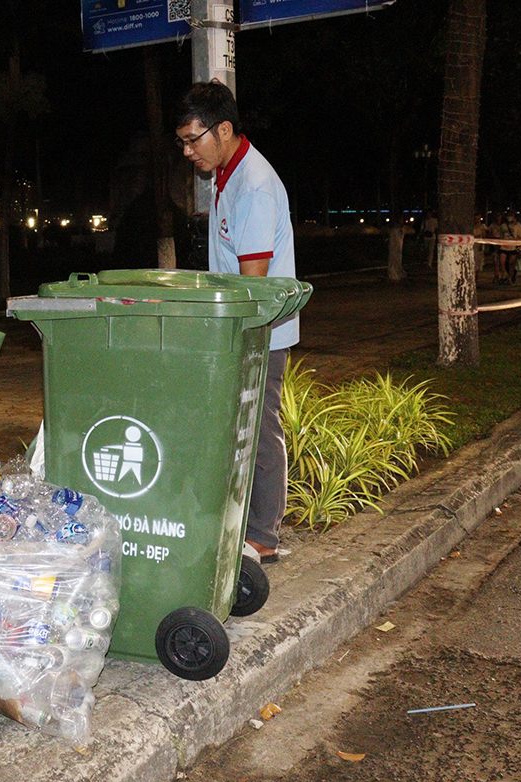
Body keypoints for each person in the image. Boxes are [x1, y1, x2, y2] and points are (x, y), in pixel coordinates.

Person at [174, 81, 298, 564]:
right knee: (240, 427)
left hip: (259, 331)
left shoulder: (254, 185)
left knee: (259, 427)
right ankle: (244, 524)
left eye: (193, 139)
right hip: (242, 331)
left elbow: (253, 280)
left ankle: (263, 535)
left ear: (223, 129)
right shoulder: (228, 176)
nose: (188, 151)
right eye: (182, 142)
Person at [499, 211, 521, 284]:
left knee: (511, 264)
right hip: (504, 247)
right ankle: (504, 274)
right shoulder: (503, 226)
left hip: (513, 247)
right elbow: (500, 235)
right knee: (502, 261)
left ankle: (510, 278)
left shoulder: (519, 226)